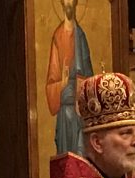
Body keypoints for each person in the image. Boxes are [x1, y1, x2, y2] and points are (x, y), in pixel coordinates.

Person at [45, 0, 93, 155]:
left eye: (71, 0)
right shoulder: (58, 37)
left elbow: (89, 73)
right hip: (65, 108)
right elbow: (51, 80)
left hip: (81, 106)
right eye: (66, 0)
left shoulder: (81, 36)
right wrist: (62, 83)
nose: (68, 4)